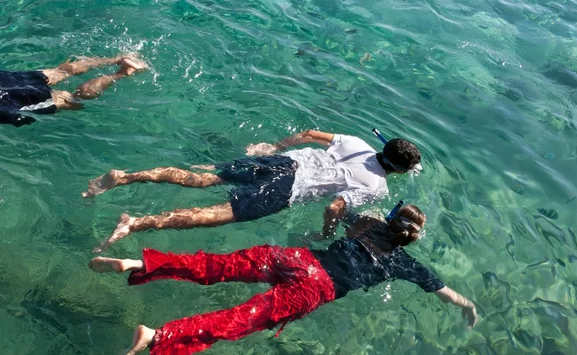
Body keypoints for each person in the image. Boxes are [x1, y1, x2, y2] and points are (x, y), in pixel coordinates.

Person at [88, 203, 478, 355]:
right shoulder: (405, 264)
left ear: (390, 219)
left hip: (299, 258)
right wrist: (468, 306)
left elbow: (337, 210)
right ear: (412, 239)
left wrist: (327, 230)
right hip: (315, 289)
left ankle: (139, 262)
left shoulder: (368, 225)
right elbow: (447, 292)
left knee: (217, 266)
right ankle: (157, 335)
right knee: (234, 320)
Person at [83, 130, 423, 252]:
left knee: (203, 178)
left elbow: (307, 133)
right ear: (397, 170)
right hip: (288, 188)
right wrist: (326, 234)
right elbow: (334, 206)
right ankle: (135, 223)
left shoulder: (358, 142)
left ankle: (126, 176)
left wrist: (270, 146)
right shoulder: (376, 186)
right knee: (215, 215)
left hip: (286, 161)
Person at [0, 55, 147, 127]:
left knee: (71, 99)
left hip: (7, 104)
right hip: (6, 80)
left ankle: (121, 73)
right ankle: (117, 58)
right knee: (57, 72)